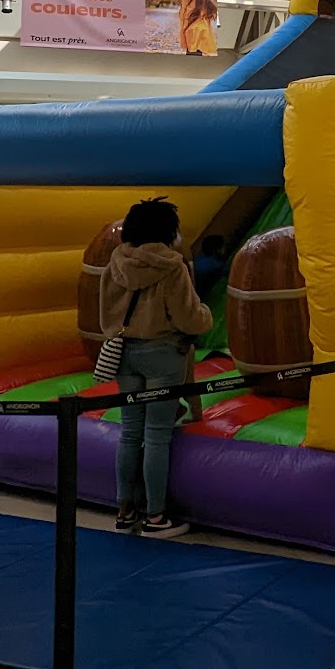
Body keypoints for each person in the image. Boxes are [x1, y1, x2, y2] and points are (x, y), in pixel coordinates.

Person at [100, 196, 211, 536]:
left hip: (124, 354)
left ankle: (125, 510)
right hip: (163, 354)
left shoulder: (115, 263)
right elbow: (188, 318)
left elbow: (105, 313)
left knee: (130, 432)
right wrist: (205, 316)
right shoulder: (172, 267)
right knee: (157, 434)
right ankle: (156, 517)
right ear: (168, 231)